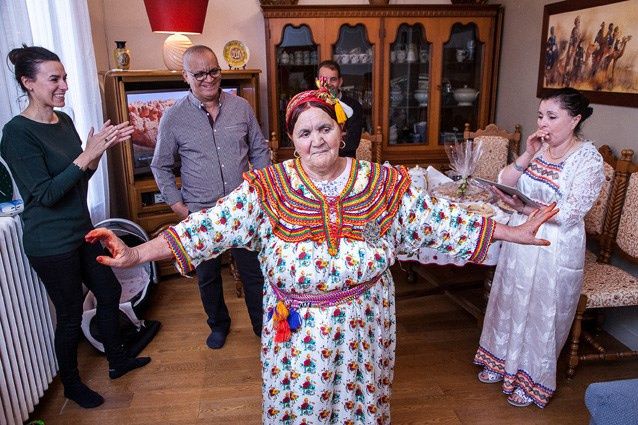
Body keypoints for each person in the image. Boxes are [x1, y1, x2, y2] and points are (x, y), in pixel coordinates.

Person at [88, 83, 558, 423]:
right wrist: (136, 254)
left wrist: (510, 232)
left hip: (364, 318)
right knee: (300, 402)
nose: (317, 140)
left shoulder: (382, 182)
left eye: (325, 128)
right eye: (305, 132)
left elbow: (440, 219)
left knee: (361, 398)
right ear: (291, 141)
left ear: (341, 130)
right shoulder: (268, 187)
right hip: (293, 323)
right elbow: (207, 228)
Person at [0, 46, 150, 409]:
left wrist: (97, 152)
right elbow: (47, 194)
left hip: (82, 231)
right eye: (55, 79)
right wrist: (86, 154)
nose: (64, 85)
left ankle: (117, 360)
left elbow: (79, 180)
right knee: (69, 316)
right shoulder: (16, 133)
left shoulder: (63, 122)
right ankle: (71, 385)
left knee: (109, 292)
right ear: (28, 83)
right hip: (50, 243)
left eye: (65, 77)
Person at [474, 88, 604, 408]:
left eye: (551, 116)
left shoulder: (588, 159)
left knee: (542, 313)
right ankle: (501, 362)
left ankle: (532, 379)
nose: (542, 123)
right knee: (510, 301)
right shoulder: (540, 149)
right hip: (521, 241)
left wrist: (521, 210)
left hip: (555, 247)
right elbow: (504, 178)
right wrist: (527, 153)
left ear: (574, 120)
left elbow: (571, 211)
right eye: (540, 115)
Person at [151, 45, 270, 349]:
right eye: (199, 73)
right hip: (201, 214)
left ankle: (263, 327)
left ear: (220, 71)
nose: (208, 78)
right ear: (185, 76)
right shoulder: (173, 118)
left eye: (213, 70)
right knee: (208, 277)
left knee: (254, 274)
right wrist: (178, 205)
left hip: (243, 210)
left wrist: (261, 187)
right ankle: (218, 325)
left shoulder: (241, 107)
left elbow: (258, 149)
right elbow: (160, 165)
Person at [317, 60, 364, 158]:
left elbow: (352, 144)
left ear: (340, 81)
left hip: (345, 162)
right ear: (317, 81)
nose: (328, 83)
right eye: (324, 79)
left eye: (333, 79)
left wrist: (322, 139)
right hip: (318, 163)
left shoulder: (354, 106)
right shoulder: (310, 105)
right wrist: (340, 136)